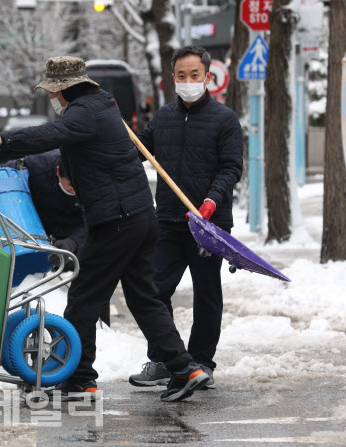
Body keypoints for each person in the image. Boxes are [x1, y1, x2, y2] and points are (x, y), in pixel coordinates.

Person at [0, 56, 210, 402]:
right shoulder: (102, 105)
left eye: (53, 92)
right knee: (143, 298)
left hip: (117, 220)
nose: (54, 99)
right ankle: (186, 367)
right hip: (138, 216)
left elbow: (49, 133)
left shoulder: (85, 112)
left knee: (83, 299)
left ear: (64, 90)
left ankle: (80, 378)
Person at [129, 45, 243, 390]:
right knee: (155, 289)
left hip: (209, 225)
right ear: (173, 78)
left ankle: (202, 362)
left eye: (195, 75)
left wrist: (211, 201)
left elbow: (231, 168)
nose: (188, 81)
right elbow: (137, 152)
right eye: (181, 75)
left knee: (206, 293)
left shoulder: (225, 120)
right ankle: (167, 359)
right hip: (168, 219)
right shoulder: (163, 118)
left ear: (207, 77)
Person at [1, 150, 85, 271]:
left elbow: (95, 218)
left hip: (75, 227)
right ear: (57, 172)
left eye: (78, 188)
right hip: (36, 221)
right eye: (71, 187)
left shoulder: (94, 180)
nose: (74, 191)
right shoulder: (38, 165)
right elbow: (2, 176)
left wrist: (72, 242)